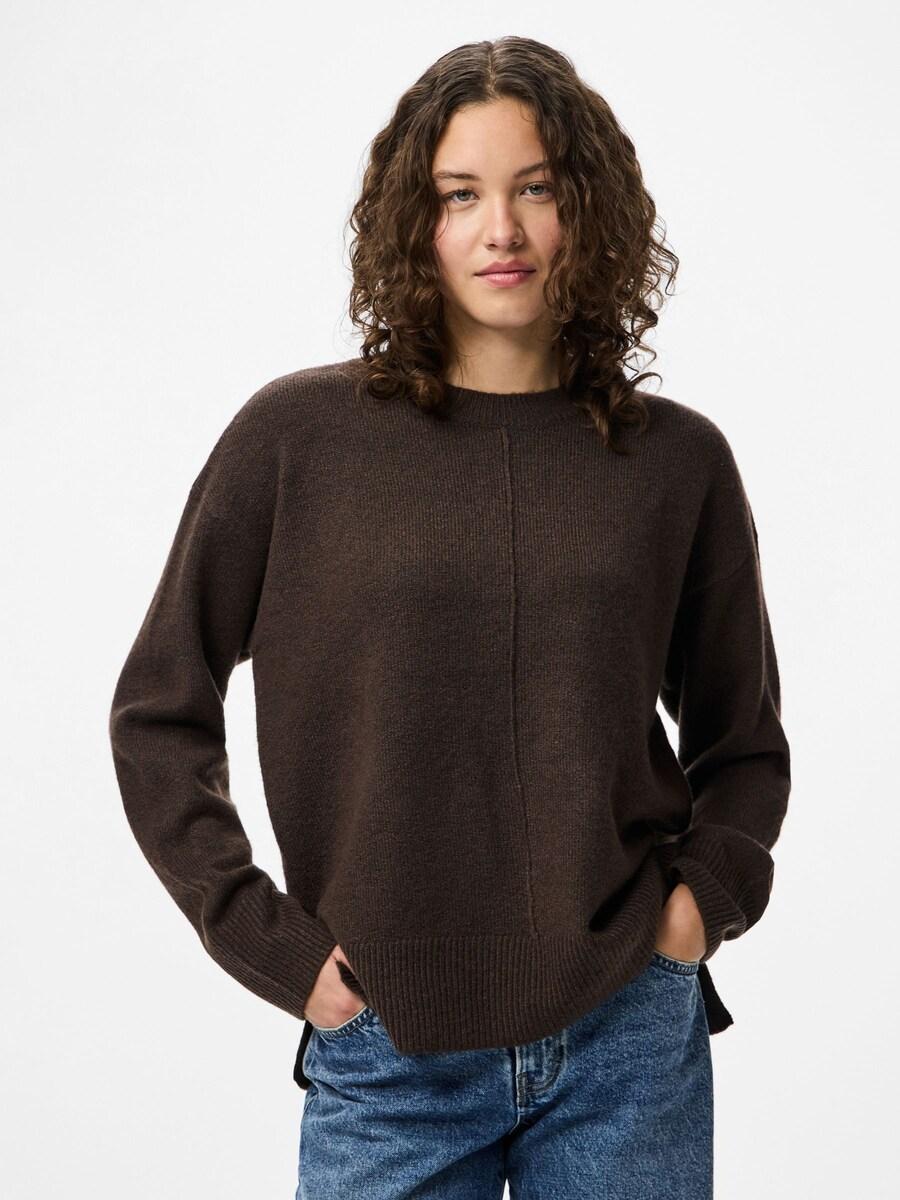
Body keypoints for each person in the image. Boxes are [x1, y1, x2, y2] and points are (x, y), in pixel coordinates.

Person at [108, 35, 791, 1200]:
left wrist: (698, 911)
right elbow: (157, 713)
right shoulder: (295, 443)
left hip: (627, 1042)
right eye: (460, 195)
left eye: (537, 189)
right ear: (412, 222)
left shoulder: (676, 464)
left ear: (589, 210)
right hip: (388, 1050)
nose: (501, 231)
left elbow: (744, 744)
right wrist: (265, 939)